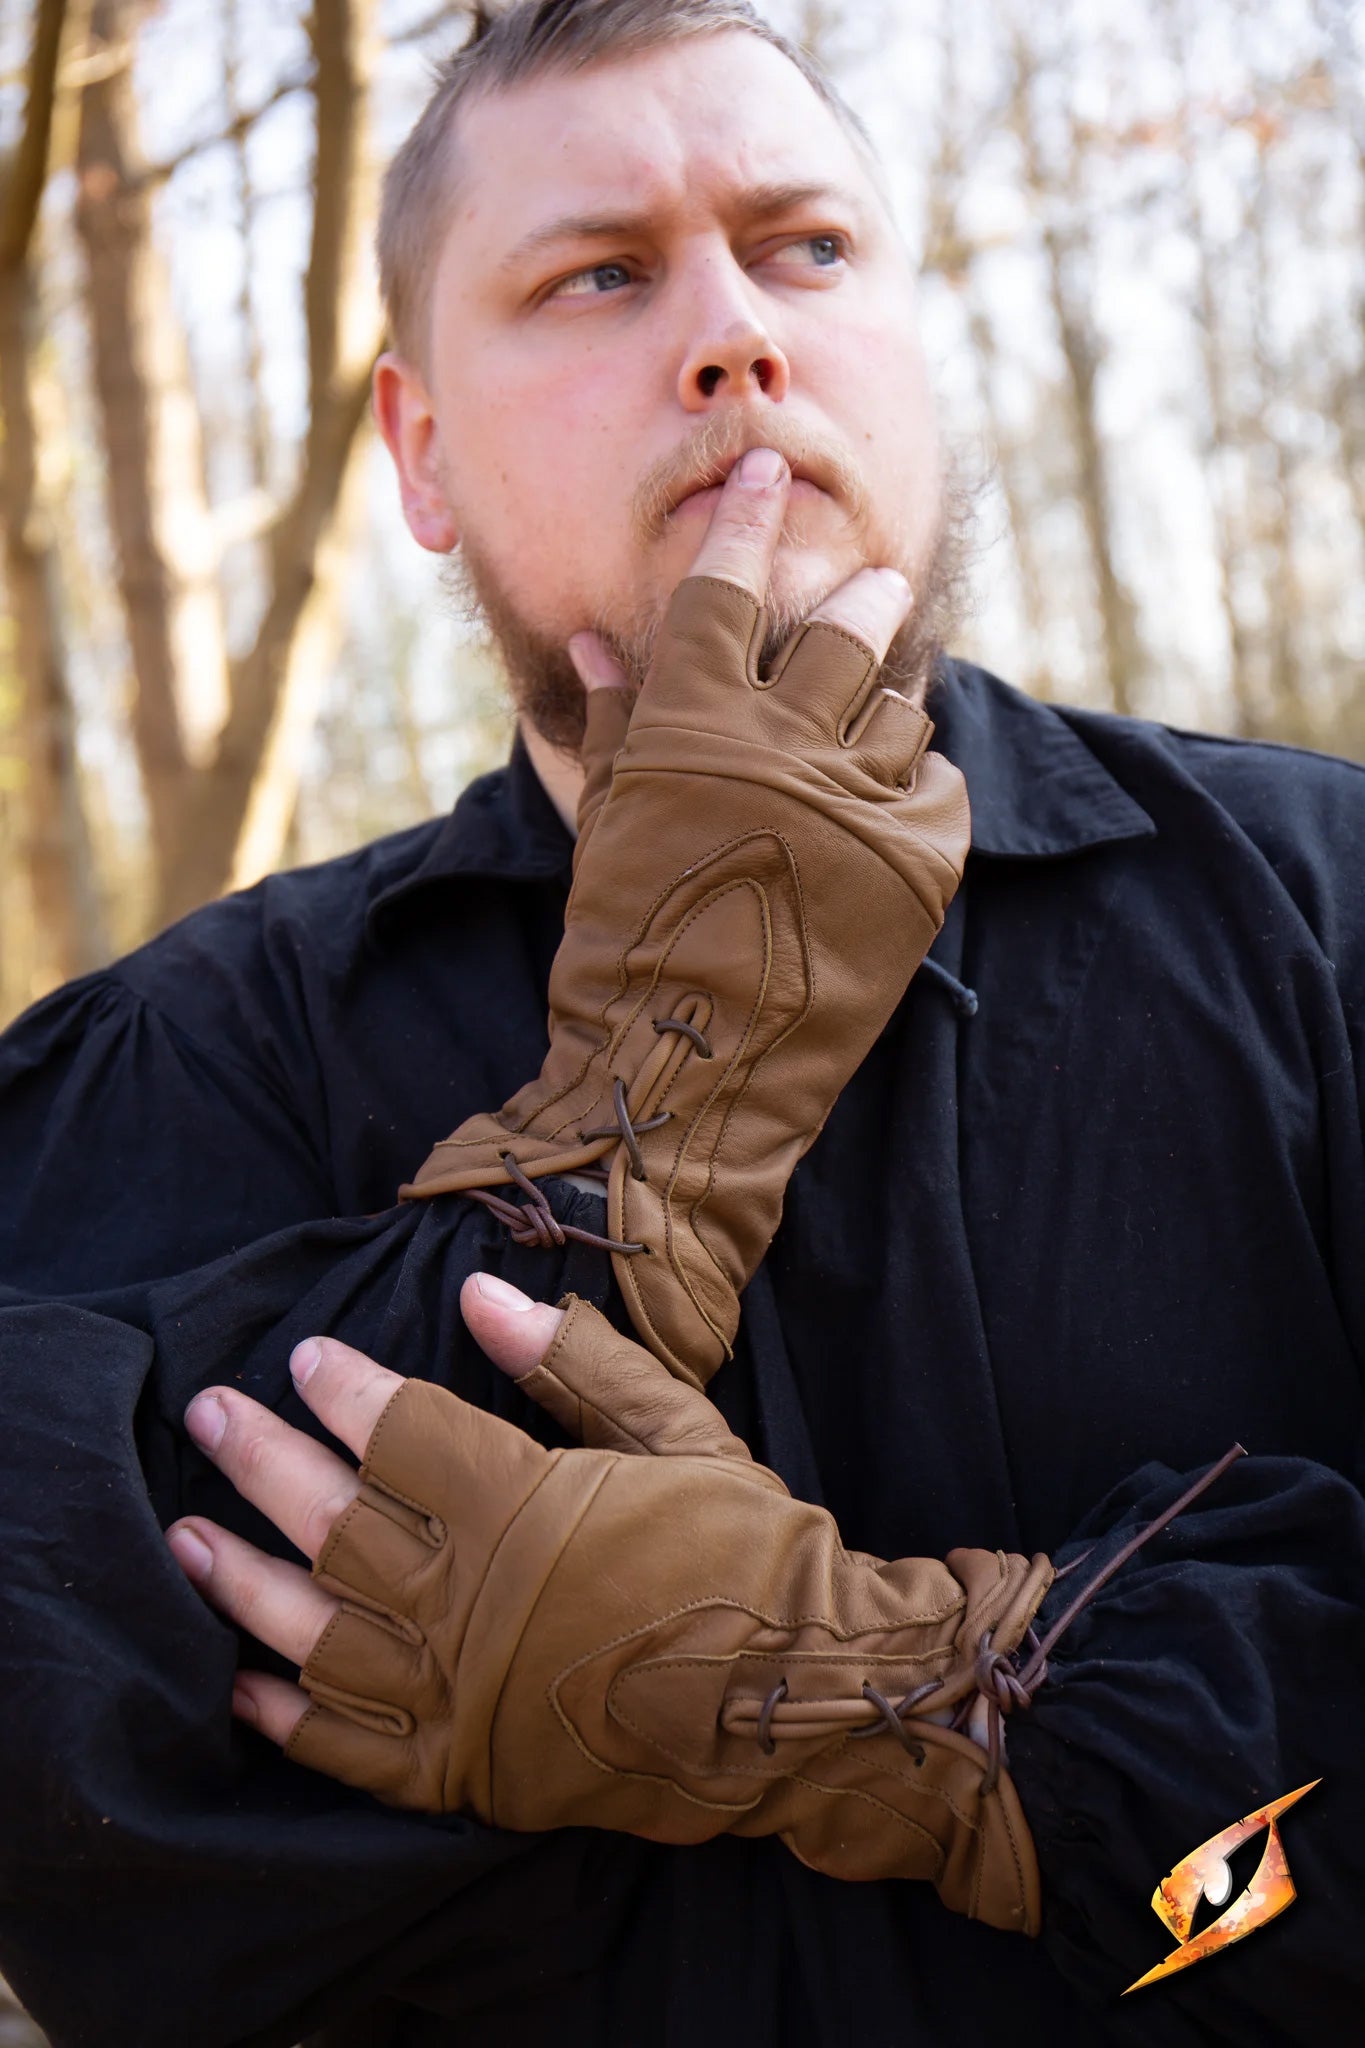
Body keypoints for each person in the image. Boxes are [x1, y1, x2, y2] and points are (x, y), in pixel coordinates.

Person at [1, 5, 1362, 2045]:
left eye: (805, 247)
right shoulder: (195, 1056)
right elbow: (82, 1781)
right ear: (422, 450)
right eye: (601, 273)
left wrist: (906, 1712)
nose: (734, 332)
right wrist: (644, 1094)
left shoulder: (1326, 914)